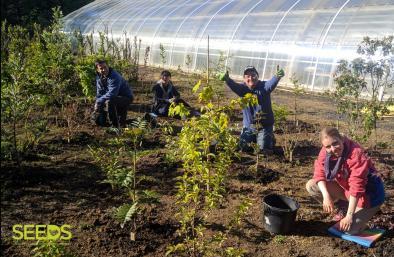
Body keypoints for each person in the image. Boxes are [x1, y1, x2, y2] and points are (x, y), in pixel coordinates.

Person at [306, 127, 385, 234]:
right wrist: (326, 196)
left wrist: (349, 216)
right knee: (312, 186)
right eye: (328, 146)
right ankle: (343, 207)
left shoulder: (356, 154)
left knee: (349, 230)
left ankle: (359, 215)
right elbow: (319, 173)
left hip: (369, 196)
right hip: (347, 189)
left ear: (341, 139)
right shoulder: (326, 151)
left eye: (335, 143)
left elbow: (357, 186)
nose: (333, 149)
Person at [220, 65, 284, 153]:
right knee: (243, 148)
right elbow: (234, 86)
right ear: (244, 79)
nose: (251, 78)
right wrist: (227, 80)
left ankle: (270, 139)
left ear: (257, 76)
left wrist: (277, 76)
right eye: (248, 76)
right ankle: (255, 139)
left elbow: (271, 84)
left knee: (263, 151)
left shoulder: (264, 86)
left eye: (253, 75)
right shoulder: (243, 89)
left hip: (264, 127)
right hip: (249, 127)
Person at [93, 60, 133, 127]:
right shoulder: (99, 77)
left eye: (105, 67)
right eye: (101, 68)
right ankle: (103, 121)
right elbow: (100, 92)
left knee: (109, 102)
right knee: (101, 102)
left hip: (126, 97)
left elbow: (112, 93)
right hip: (116, 97)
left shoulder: (114, 76)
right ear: (97, 70)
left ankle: (114, 126)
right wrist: (97, 103)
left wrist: (98, 101)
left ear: (108, 66)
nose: (104, 70)